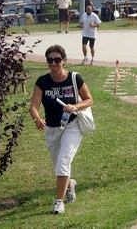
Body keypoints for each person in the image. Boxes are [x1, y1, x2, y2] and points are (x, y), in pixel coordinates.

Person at [29, 44, 93, 214]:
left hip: (71, 126)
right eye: (50, 60)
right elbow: (33, 106)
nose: (54, 63)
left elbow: (89, 99)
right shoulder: (42, 82)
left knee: (63, 162)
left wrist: (75, 106)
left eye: (57, 60)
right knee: (59, 165)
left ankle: (59, 202)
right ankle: (70, 184)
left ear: (64, 61)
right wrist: (37, 119)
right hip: (51, 129)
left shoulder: (74, 78)